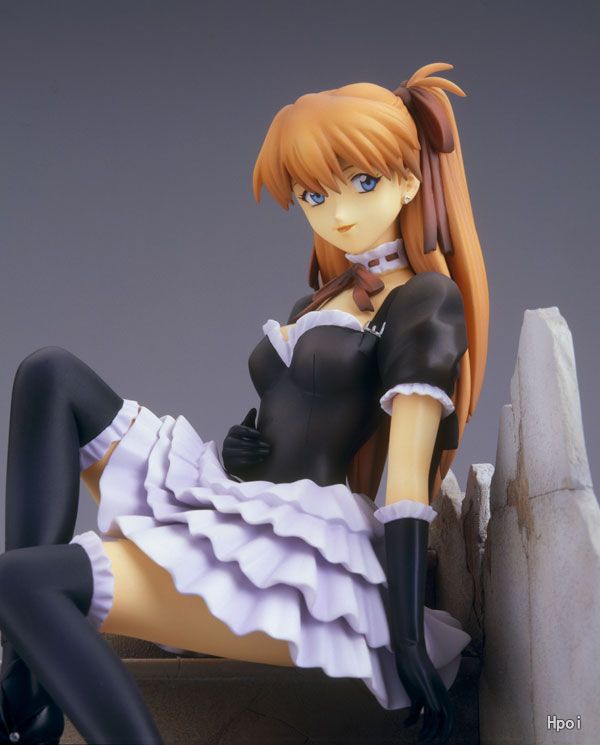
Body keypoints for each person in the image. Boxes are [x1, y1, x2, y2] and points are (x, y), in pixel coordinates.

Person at [0, 62, 488, 745]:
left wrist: (405, 635)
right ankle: (25, 680)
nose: (339, 212)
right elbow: (291, 410)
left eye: (362, 182)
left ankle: (23, 689)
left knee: (20, 582)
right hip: (236, 497)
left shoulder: (424, 302)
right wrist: (244, 448)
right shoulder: (317, 300)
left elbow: (405, 480)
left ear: (409, 181)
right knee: (49, 373)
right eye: (314, 194)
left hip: (296, 543)